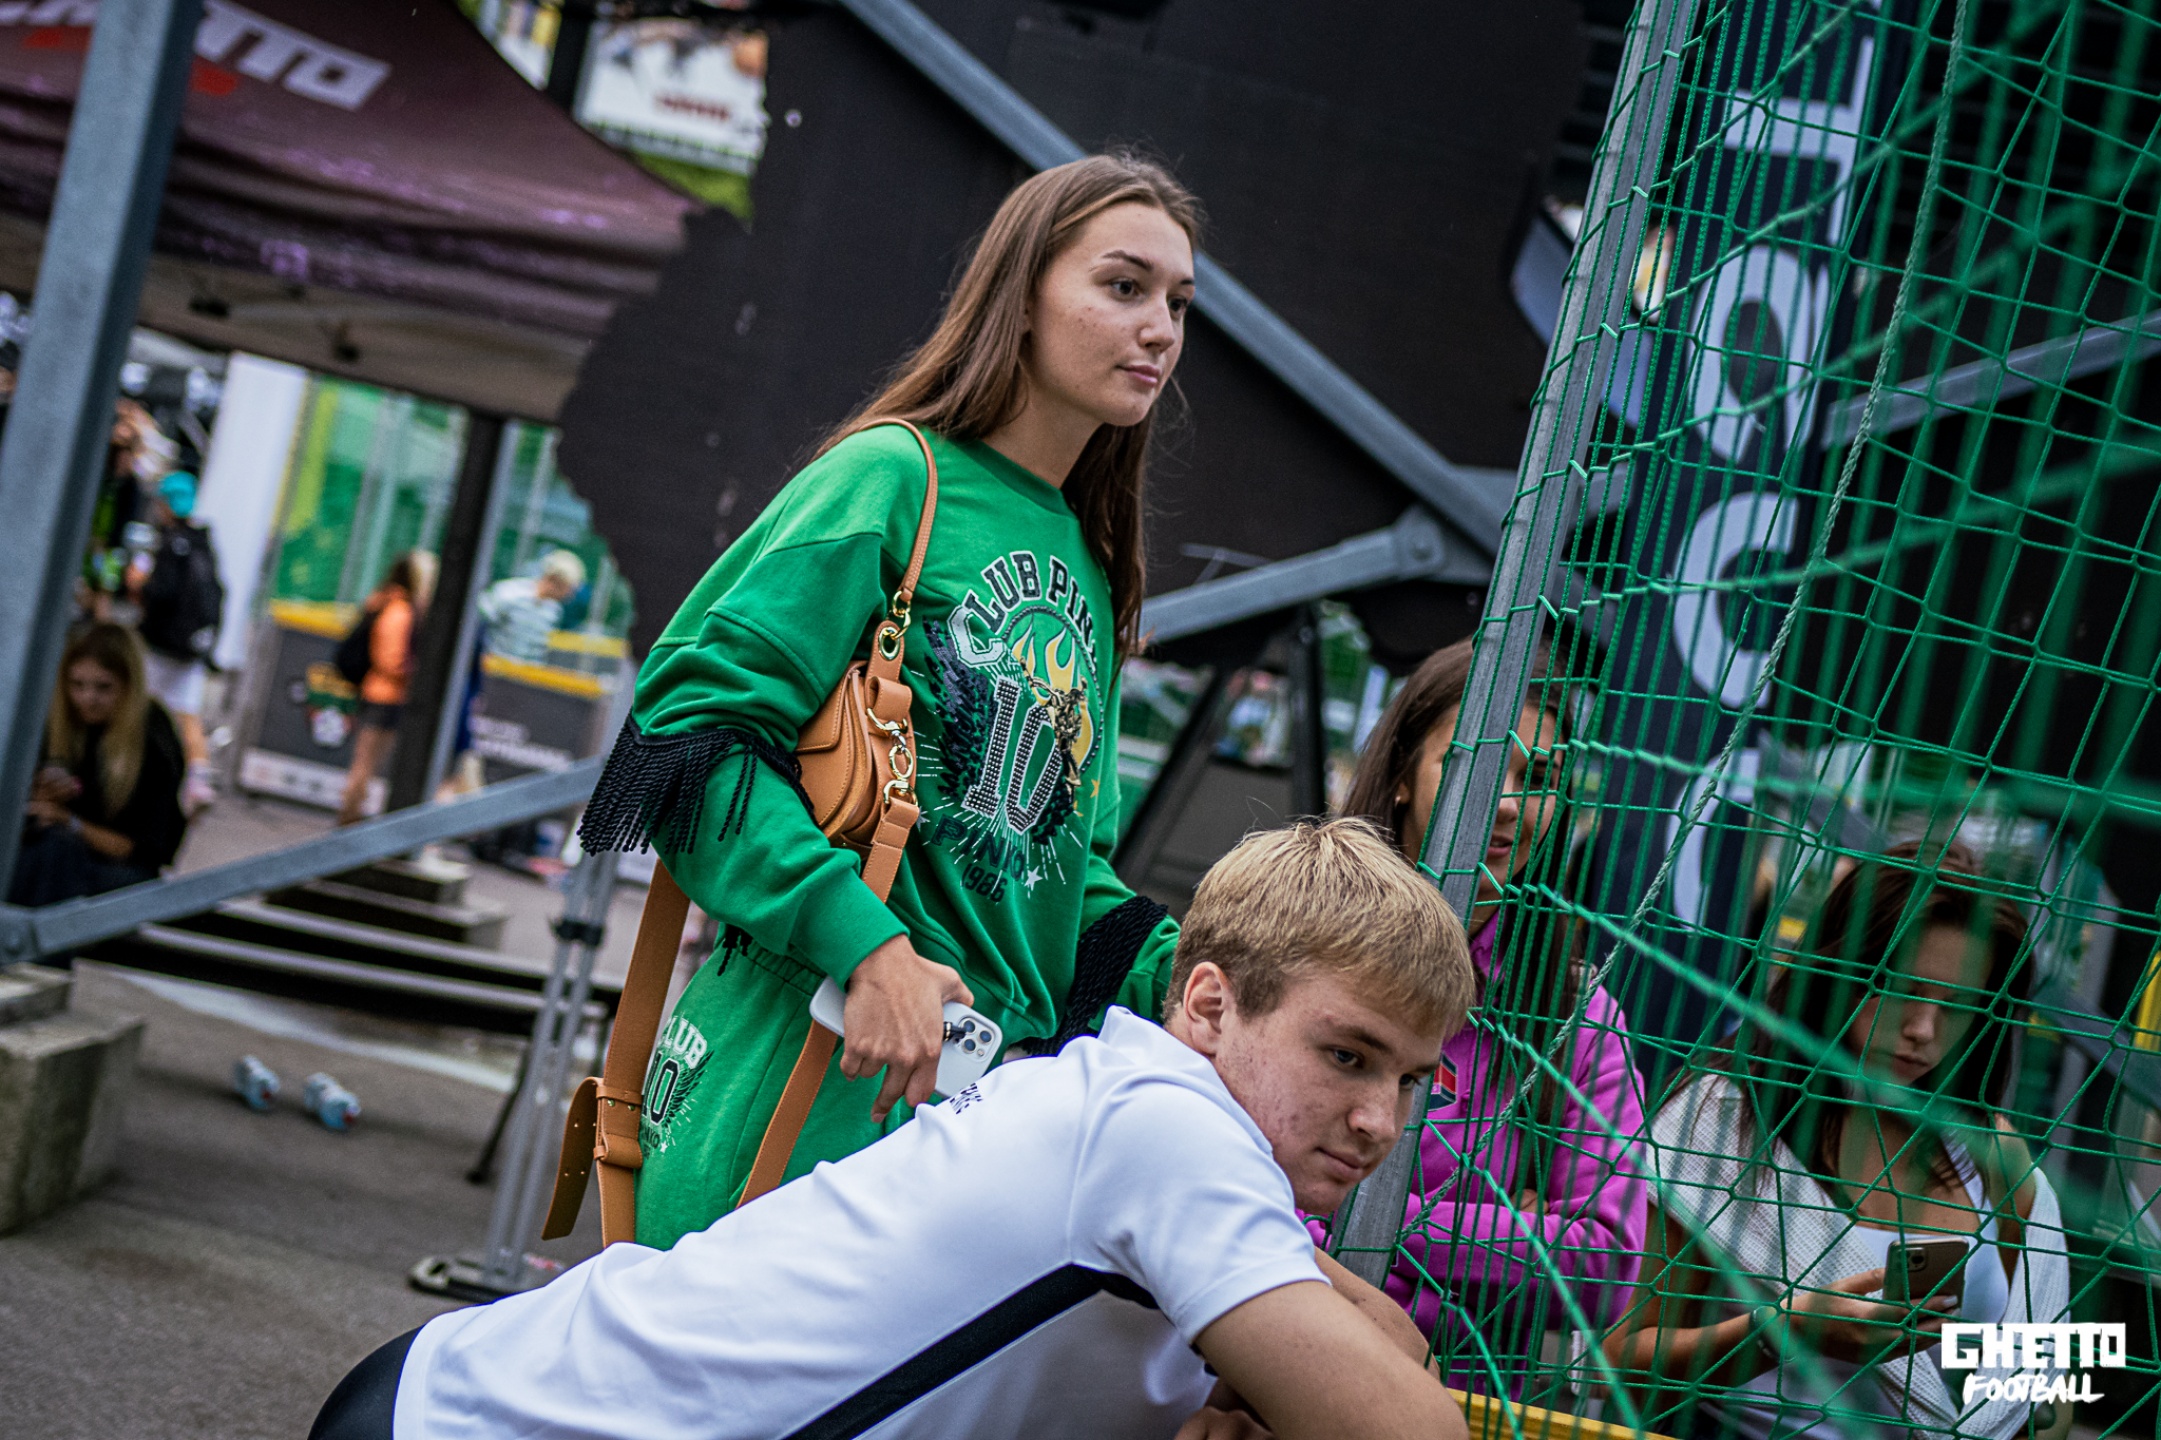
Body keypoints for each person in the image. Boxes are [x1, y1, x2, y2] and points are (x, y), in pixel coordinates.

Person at [309, 820, 1473, 1440]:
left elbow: (1391, 1349)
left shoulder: (1127, 1103)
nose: (1377, 1119)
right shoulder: (1166, 1129)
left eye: (1410, 1080)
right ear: (1208, 1005)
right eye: (1345, 1055)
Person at [576, 152, 1195, 1248]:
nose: (1160, 329)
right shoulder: (892, 477)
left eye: (1178, 303)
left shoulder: (1094, 567)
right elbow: (689, 734)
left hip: (979, 1112)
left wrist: (1211, 984)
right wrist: (867, 947)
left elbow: (1067, 873)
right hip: (814, 1053)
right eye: (1123, 285)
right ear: (1021, 295)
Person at [1601, 841, 2071, 1440]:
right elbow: (1616, 1362)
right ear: (1837, 971)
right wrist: (1781, 1332)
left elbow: (2039, 1370)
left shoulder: (1990, 1152)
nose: (1922, 1031)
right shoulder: (1725, 1120)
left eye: (1958, 1007)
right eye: (1899, 988)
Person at [1335, 637, 1646, 1392]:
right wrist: (1505, 1233)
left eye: (1537, 779)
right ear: (1403, 776)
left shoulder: (1578, 1017)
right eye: (1474, 763)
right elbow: (1244, 1184)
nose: (1507, 803)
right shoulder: (1301, 943)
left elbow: (1605, 1270)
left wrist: (1374, 1219)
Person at [10, 623, 186, 907]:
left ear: (129, 685)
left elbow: (141, 847)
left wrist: (69, 821)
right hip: (55, 862)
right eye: (77, 685)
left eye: (104, 688)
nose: (87, 699)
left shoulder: (152, 734)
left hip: (117, 870)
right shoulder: (56, 722)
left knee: (56, 853)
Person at [131, 470, 223, 813]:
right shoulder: (203, 542)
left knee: (139, 703)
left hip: (161, 645)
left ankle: (137, 768)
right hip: (190, 648)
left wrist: (141, 586)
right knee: (187, 713)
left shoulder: (170, 544)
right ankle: (199, 778)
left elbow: (162, 593)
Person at [337, 550, 436, 826]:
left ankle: (351, 814)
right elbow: (391, 661)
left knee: (367, 763)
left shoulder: (388, 603)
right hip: (385, 697)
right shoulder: (399, 611)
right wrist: (417, 675)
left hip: (382, 695)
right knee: (366, 764)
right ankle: (350, 816)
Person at [476, 548, 586, 664]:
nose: (570, 594)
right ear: (555, 580)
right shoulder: (508, 593)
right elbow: (476, 623)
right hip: (491, 669)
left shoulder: (554, 611)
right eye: (569, 588)